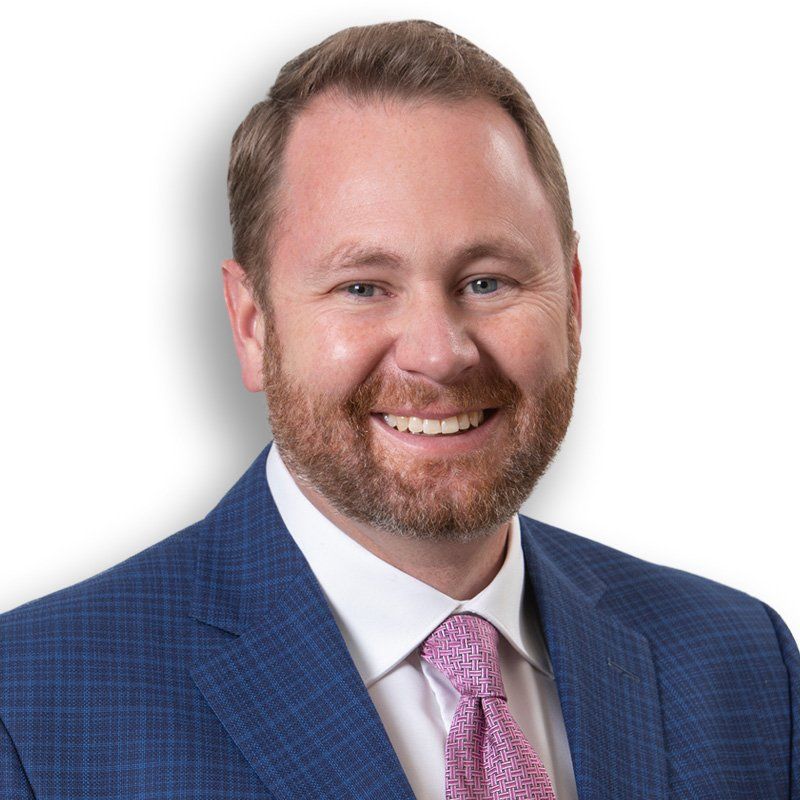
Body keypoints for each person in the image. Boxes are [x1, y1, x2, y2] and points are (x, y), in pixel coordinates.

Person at [1, 19, 797, 800]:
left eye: (487, 281)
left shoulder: (745, 665)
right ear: (252, 325)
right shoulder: (32, 712)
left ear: (574, 303)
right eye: (363, 287)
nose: (439, 354)